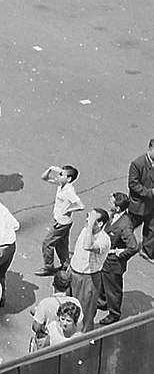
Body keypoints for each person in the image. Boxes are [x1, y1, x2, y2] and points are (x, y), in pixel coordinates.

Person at [35, 164, 84, 275]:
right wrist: (51, 169)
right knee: (61, 245)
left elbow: (80, 205)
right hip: (63, 222)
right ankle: (65, 265)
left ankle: (48, 268)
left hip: (61, 223)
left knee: (47, 244)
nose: (58, 176)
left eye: (61, 174)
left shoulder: (69, 191)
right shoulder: (61, 185)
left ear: (69, 179)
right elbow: (44, 178)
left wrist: (68, 210)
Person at [68, 208, 111, 330]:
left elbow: (87, 246)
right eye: (88, 216)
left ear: (100, 223)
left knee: (85, 311)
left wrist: (91, 224)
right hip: (73, 271)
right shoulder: (85, 230)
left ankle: (84, 336)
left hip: (88, 278)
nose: (87, 219)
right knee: (65, 305)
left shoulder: (103, 240)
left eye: (91, 218)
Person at [98, 192, 137, 324]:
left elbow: (133, 247)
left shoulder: (124, 225)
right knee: (104, 282)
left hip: (113, 263)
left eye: (111, 201)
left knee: (113, 289)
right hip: (105, 259)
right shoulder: (115, 216)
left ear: (118, 208)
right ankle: (103, 301)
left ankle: (114, 313)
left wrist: (120, 253)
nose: (109, 202)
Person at [30, 269, 82, 350]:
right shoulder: (75, 302)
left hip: (50, 344)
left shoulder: (45, 303)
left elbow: (36, 327)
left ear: (53, 284)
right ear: (68, 287)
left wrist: (37, 314)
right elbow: (80, 325)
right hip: (69, 344)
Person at [127, 136, 154, 262]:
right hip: (139, 205)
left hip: (152, 204)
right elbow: (133, 184)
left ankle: (147, 251)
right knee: (129, 226)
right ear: (150, 148)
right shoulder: (138, 164)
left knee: (152, 228)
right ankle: (114, 243)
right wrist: (150, 192)